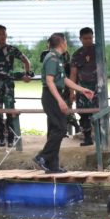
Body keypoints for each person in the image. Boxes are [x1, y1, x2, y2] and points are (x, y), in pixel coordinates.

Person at [33, 33, 95, 174]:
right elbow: (49, 81)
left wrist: (82, 90)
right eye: (66, 42)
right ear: (61, 43)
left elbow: (64, 79)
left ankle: (52, 165)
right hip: (51, 96)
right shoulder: (52, 58)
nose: (67, 44)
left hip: (55, 95)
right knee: (61, 129)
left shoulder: (58, 58)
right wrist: (60, 101)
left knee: (55, 129)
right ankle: (42, 156)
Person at [0, 25, 32, 148]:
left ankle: (11, 139)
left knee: (10, 112)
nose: (1, 36)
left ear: (6, 35)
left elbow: (25, 60)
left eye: (3, 34)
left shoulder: (12, 49)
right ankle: (1, 138)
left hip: (8, 87)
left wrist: (27, 74)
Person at [70, 27, 98, 147]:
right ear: (80, 39)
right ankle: (87, 138)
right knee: (83, 114)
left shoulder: (99, 51)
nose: (88, 40)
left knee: (98, 114)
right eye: (85, 38)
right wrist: (72, 92)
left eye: (90, 38)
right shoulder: (76, 55)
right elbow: (73, 74)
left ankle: (100, 138)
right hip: (82, 90)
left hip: (97, 89)